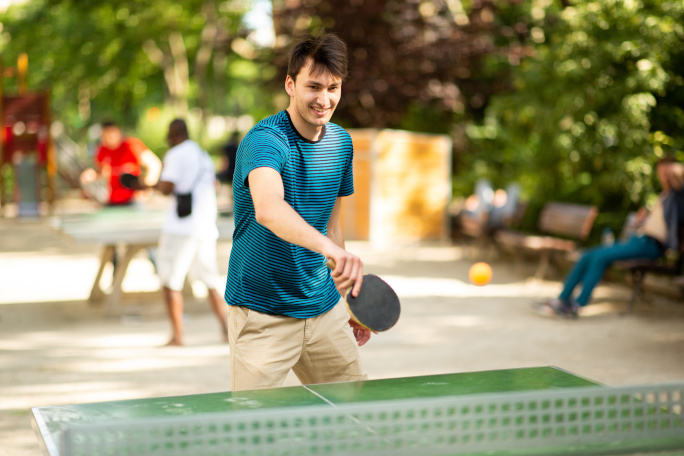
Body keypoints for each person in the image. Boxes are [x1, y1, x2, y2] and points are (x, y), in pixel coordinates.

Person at [224, 33, 369, 391]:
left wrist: (351, 300)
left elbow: (332, 227)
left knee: (356, 418)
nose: (324, 99)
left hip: (324, 308)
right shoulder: (265, 140)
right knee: (253, 436)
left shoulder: (341, 144)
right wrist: (330, 250)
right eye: (313, 86)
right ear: (290, 84)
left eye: (333, 87)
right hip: (262, 315)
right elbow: (269, 209)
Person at [534, 157, 684, 319]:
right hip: (638, 240)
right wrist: (644, 218)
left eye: (668, 171)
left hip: (651, 245)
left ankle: (577, 305)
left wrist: (675, 172)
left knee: (599, 258)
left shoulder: (677, 195)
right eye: (661, 171)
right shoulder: (664, 195)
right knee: (587, 255)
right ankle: (562, 300)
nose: (664, 175)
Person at [154, 119, 228, 346]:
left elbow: (166, 188)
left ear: (173, 133)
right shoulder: (202, 155)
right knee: (209, 280)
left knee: (170, 280)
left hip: (181, 228)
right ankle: (227, 331)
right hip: (205, 226)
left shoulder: (176, 154)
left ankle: (177, 336)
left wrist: (145, 186)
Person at [80, 121, 161, 205]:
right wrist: (91, 176)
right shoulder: (102, 150)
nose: (108, 138)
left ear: (118, 132)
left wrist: (146, 190)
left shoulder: (131, 145)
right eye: (105, 135)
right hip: (113, 200)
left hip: (134, 200)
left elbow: (154, 164)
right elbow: (102, 172)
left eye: (111, 134)